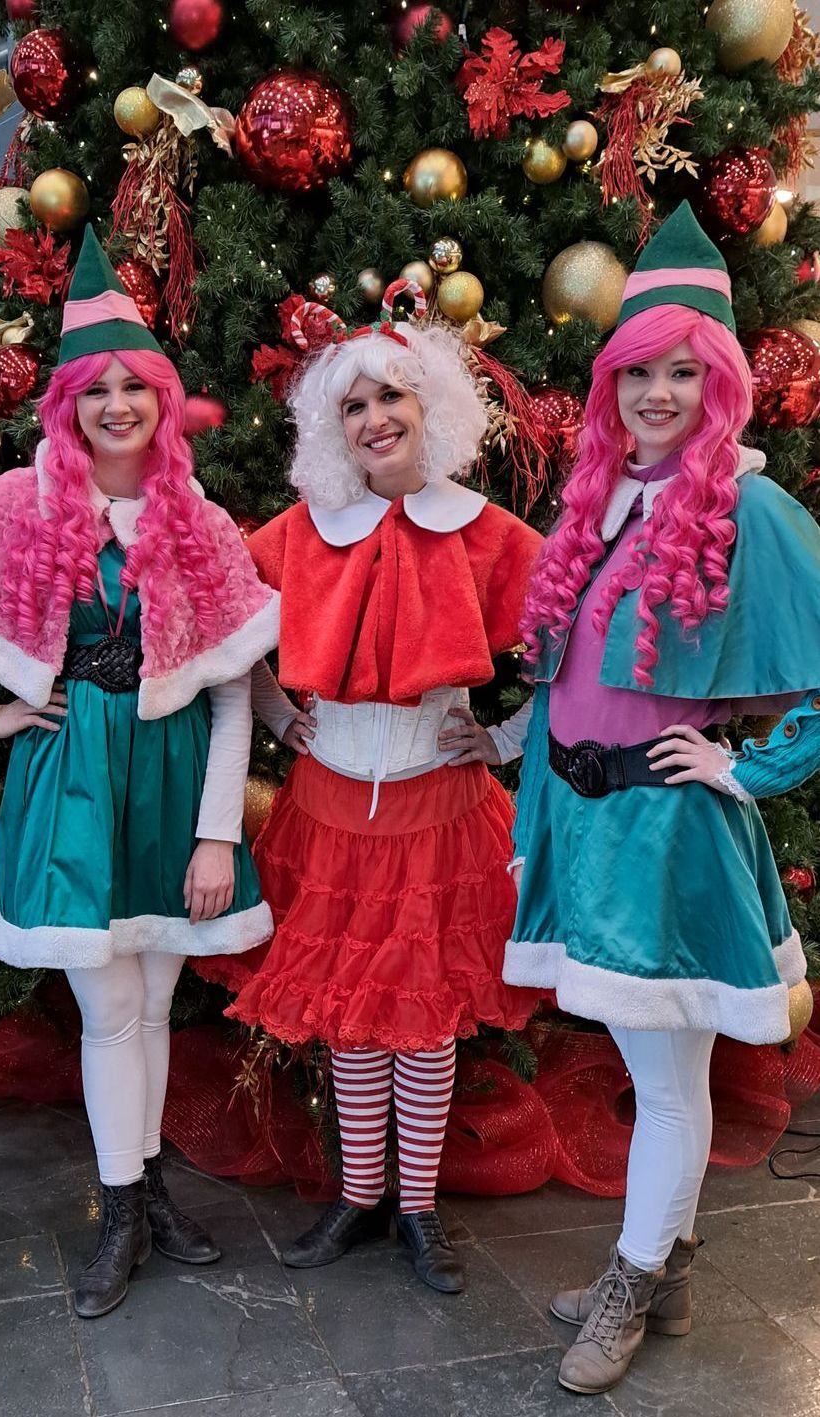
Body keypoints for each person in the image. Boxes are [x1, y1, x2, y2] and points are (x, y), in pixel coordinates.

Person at [439, 202, 820, 1391]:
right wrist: (503, 737)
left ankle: (634, 1276)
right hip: (586, 823)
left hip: (669, 841)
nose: (658, 393)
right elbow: (577, 679)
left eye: (681, 373)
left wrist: (746, 768)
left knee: (664, 1075)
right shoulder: (600, 504)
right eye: (637, 372)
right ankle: (668, 1261)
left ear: (718, 387)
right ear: (610, 387)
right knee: (659, 1067)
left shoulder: (749, 508)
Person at [0, 229, 279, 1318]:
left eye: (135, 385)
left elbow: (229, 686)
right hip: (69, 776)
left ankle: (147, 1192)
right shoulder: (23, 506)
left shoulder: (197, 521)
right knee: (110, 1008)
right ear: (67, 403)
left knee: (153, 996)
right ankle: (118, 1213)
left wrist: (216, 833)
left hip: (167, 782)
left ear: (162, 399)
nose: (117, 404)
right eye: (95, 387)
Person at [220, 284, 543, 1294]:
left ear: (432, 407)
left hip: (438, 812)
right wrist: (280, 718)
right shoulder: (303, 530)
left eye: (393, 397)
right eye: (353, 406)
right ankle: (359, 1196)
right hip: (326, 809)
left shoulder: (485, 532)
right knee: (353, 1021)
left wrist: (500, 738)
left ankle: (417, 1210)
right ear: (333, 426)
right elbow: (231, 638)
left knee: (427, 1019)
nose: (375, 419)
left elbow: (568, 646)